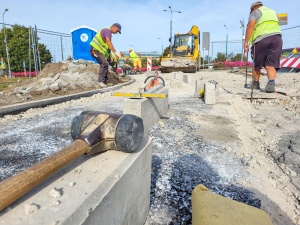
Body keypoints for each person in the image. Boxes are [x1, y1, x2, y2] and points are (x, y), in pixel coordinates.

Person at [244, 1, 282, 93]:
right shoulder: (272, 12)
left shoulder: (255, 12)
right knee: (270, 64)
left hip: (262, 39)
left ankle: (256, 84)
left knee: (258, 64)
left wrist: (246, 42)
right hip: (277, 38)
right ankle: (271, 84)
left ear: (253, 8)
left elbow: (251, 25)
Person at [90, 23, 122, 88]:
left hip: (99, 51)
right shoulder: (107, 31)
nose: (117, 32)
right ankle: (100, 82)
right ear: (114, 26)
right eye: (117, 30)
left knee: (106, 64)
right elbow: (108, 43)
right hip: (95, 49)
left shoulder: (109, 33)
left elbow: (107, 47)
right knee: (104, 63)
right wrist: (115, 52)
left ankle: (105, 82)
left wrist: (110, 57)